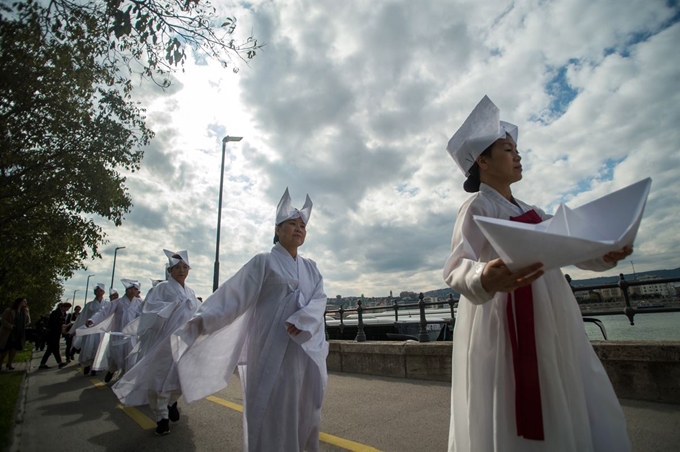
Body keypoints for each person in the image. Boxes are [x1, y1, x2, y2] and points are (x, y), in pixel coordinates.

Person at [443, 96, 633, 452]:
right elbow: (455, 267)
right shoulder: (478, 205)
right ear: (482, 161)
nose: (517, 155)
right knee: (517, 390)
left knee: (561, 380)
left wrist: (606, 252)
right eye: (507, 149)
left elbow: (573, 248)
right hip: (506, 317)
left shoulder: (534, 210)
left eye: (517, 149)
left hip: (552, 314)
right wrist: (484, 276)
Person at [171, 188, 328, 452]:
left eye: (302, 225)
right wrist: (201, 320)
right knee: (272, 411)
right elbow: (233, 295)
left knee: (304, 410)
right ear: (278, 230)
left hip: (301, 351)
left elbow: (319, 299)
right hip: (269, 348)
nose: (298, 229)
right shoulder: (263, 262)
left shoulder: (311, 267)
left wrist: (303, 319)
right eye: (292, 224)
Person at [112, 250, 200, 436]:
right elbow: (148, 310)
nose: (181, 271)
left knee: (180, 378)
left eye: (185, 267)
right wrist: (171, 307)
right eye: (177, 268)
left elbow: (197, 313)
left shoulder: (190, 293)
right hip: (164, 342)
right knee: (160, 379)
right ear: (170, 270)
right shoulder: (161, 289)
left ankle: (171, 402)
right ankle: (162, 417)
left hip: (183, 342)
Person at [86, 279, 142, 382]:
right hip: (118, 334)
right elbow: (104, 312)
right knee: (116, 355)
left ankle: (125, 379)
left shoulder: (140, 303)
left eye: (135, 289)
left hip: (132, 336)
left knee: (130, 357)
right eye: (130, 289)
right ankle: (112, 370)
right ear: (126, 289)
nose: (132, 291)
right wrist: (92, 319)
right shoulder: (118, 302)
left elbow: (148, 313)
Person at [72, 284, 108, 376]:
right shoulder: (89, 305)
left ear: (103, 292)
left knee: (98, 348)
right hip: (91, 330)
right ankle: (88, 364)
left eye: (100, 291)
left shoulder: (107, 304)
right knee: (89, 347)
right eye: (97, 291)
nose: (98, 293)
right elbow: (82, 317)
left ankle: (94, 368)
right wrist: (76, 329)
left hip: (101, 330)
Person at [0, 297, 31, 370]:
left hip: (18, 332)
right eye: (24, 301)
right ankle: (0, 363)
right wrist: (10, 326)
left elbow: (28, 321)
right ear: (19, 302)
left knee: (14, 348)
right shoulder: (9, 310)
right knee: (5, 349)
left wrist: (24, 324)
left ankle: (9, 363)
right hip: (9, 332)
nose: (25, 303)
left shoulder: (25, 311)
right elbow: (3, 320)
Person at [39, 302, 71, 369]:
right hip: (52, 333)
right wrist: (62, 325)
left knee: (53, 349)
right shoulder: (55, 313)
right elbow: (52, 323)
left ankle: (57, 363)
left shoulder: (63, 314)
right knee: (53, 348)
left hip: (57, 333)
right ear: (62, 307)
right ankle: (57, 363)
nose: (67, 310)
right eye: (66, 308)